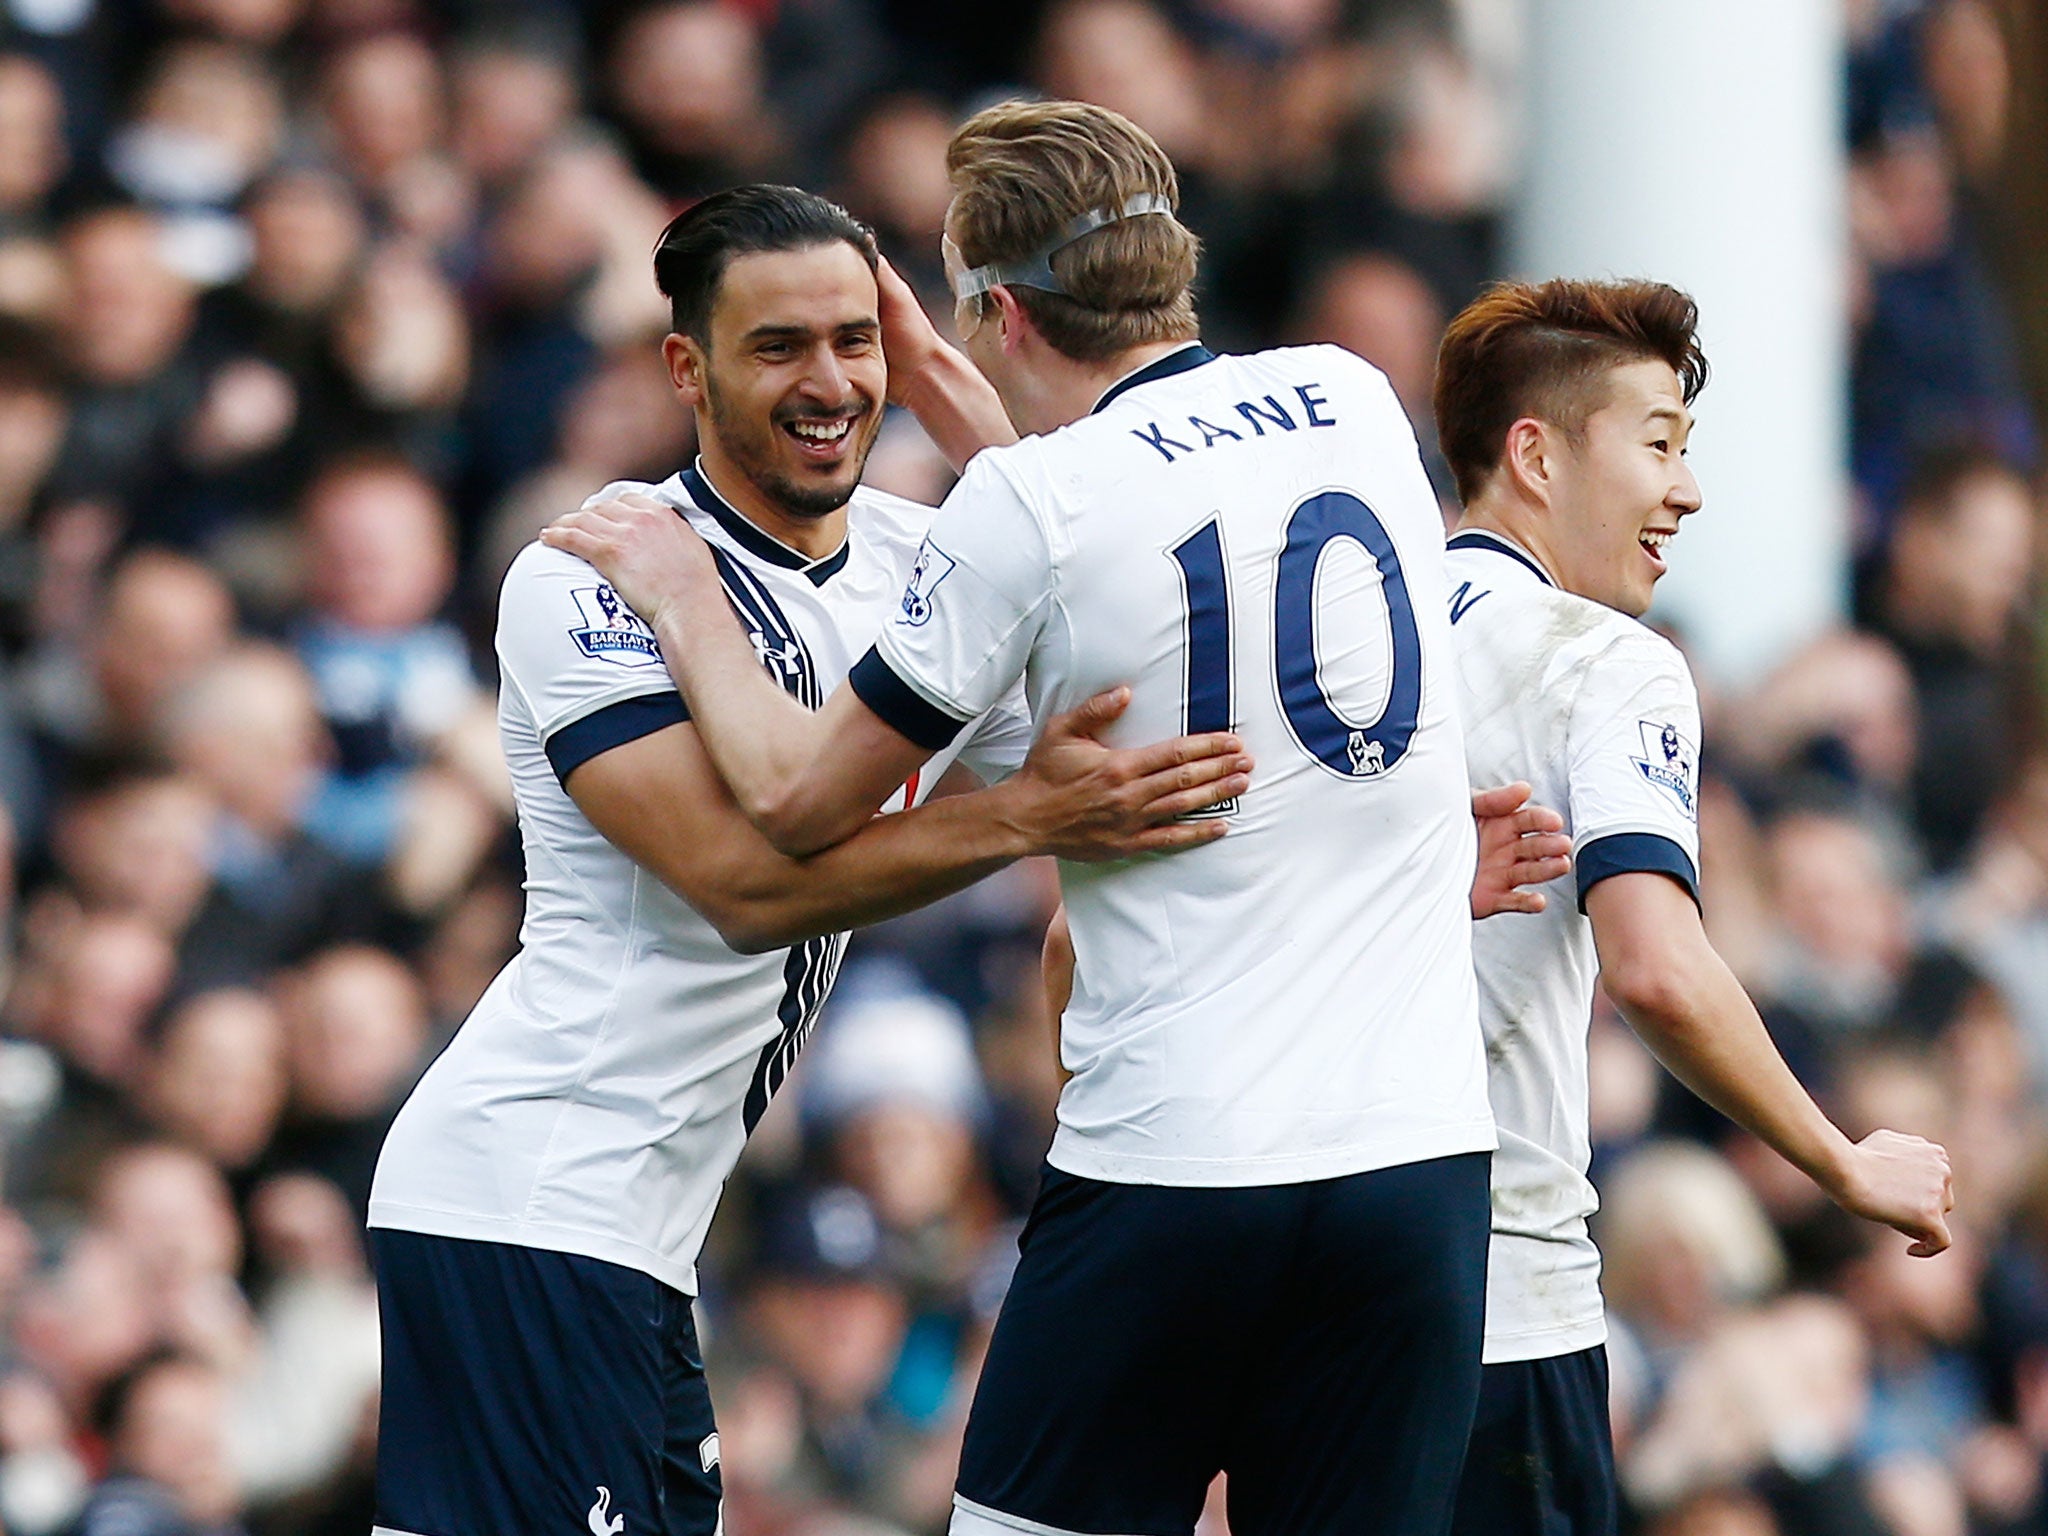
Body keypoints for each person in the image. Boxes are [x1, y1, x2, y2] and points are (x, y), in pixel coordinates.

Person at [546, 101, 1524, 1536]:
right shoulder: (1352, 396)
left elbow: (801, 799)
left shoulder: (1029, 502)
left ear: (999, 306)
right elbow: (1148, 505)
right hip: (1419, 1169)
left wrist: (681, 586)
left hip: (1181, 1168)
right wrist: (959, 383)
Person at [363, 183, 1254, 1536]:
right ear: (689, 367)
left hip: (644, 1233)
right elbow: (742, 889)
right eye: (778, 345)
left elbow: (1115, 608)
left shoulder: (923, 557)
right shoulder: (599, 571)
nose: (828, 381)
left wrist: (1375, 855)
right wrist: (1026, 820)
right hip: (528, 1197)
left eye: (856, 339)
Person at [1429, 277, 1956, 1535]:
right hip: (1498, 1295)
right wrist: (1840, 1159)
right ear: (1534, 453)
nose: (1687, 490)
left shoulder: (1341, 640)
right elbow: (1654, 968)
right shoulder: (1601, 659)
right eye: (1656, 443)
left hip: (1296, 1293)